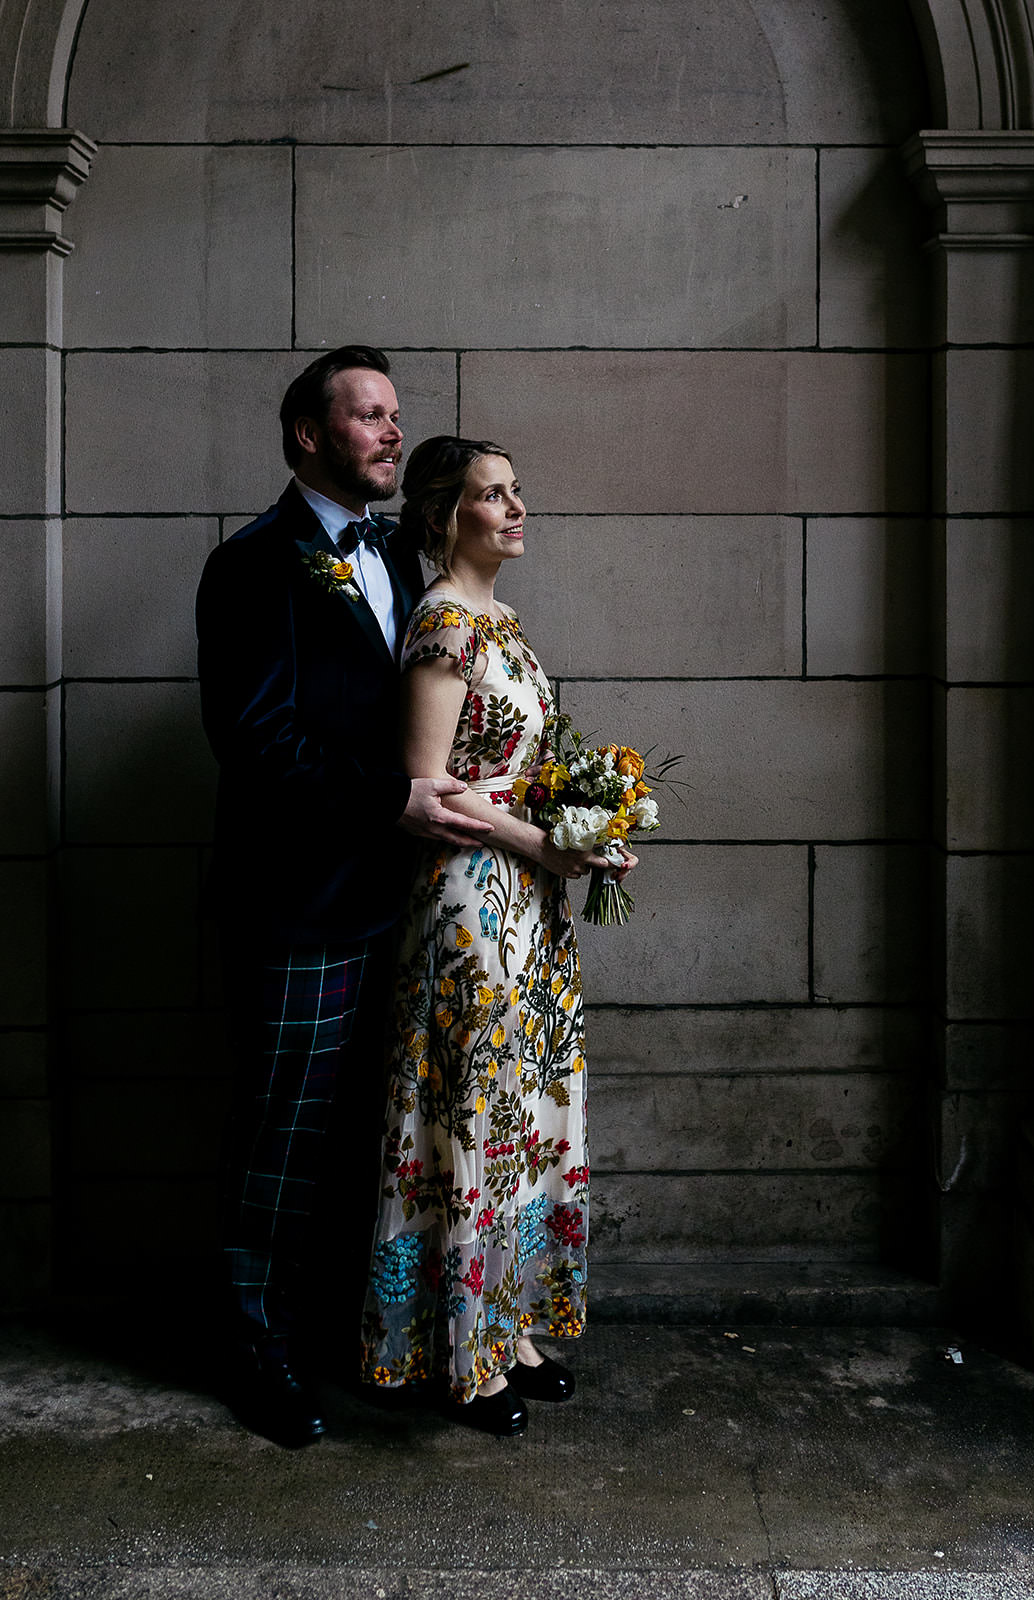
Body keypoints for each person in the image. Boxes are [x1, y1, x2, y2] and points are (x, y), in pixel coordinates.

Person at [195, 348, 492, 1448]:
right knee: (282, 1137)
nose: (390, 430)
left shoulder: (406, 560)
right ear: (307, 435)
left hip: (399, 904)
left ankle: (340, 1338)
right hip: (302, 907)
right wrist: (396, 801)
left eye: (395, 414)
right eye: (367, 414)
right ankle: (249, 1347)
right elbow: (256, 743)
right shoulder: (253, 565)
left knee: (376, 1133)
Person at [359, 437, 636, 1436]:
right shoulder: (440, 624)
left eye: (517, 489)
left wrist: (587, 830)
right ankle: (459, 1361)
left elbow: (518, 769)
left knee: (521, 1115)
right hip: (469, 903)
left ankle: (508, 1325)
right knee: (471, 1118)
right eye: (490, 494)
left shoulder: (504, 621)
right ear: (443, 517)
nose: (515, 507)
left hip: (527, 901)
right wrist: (545, 843)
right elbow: (429, 794)